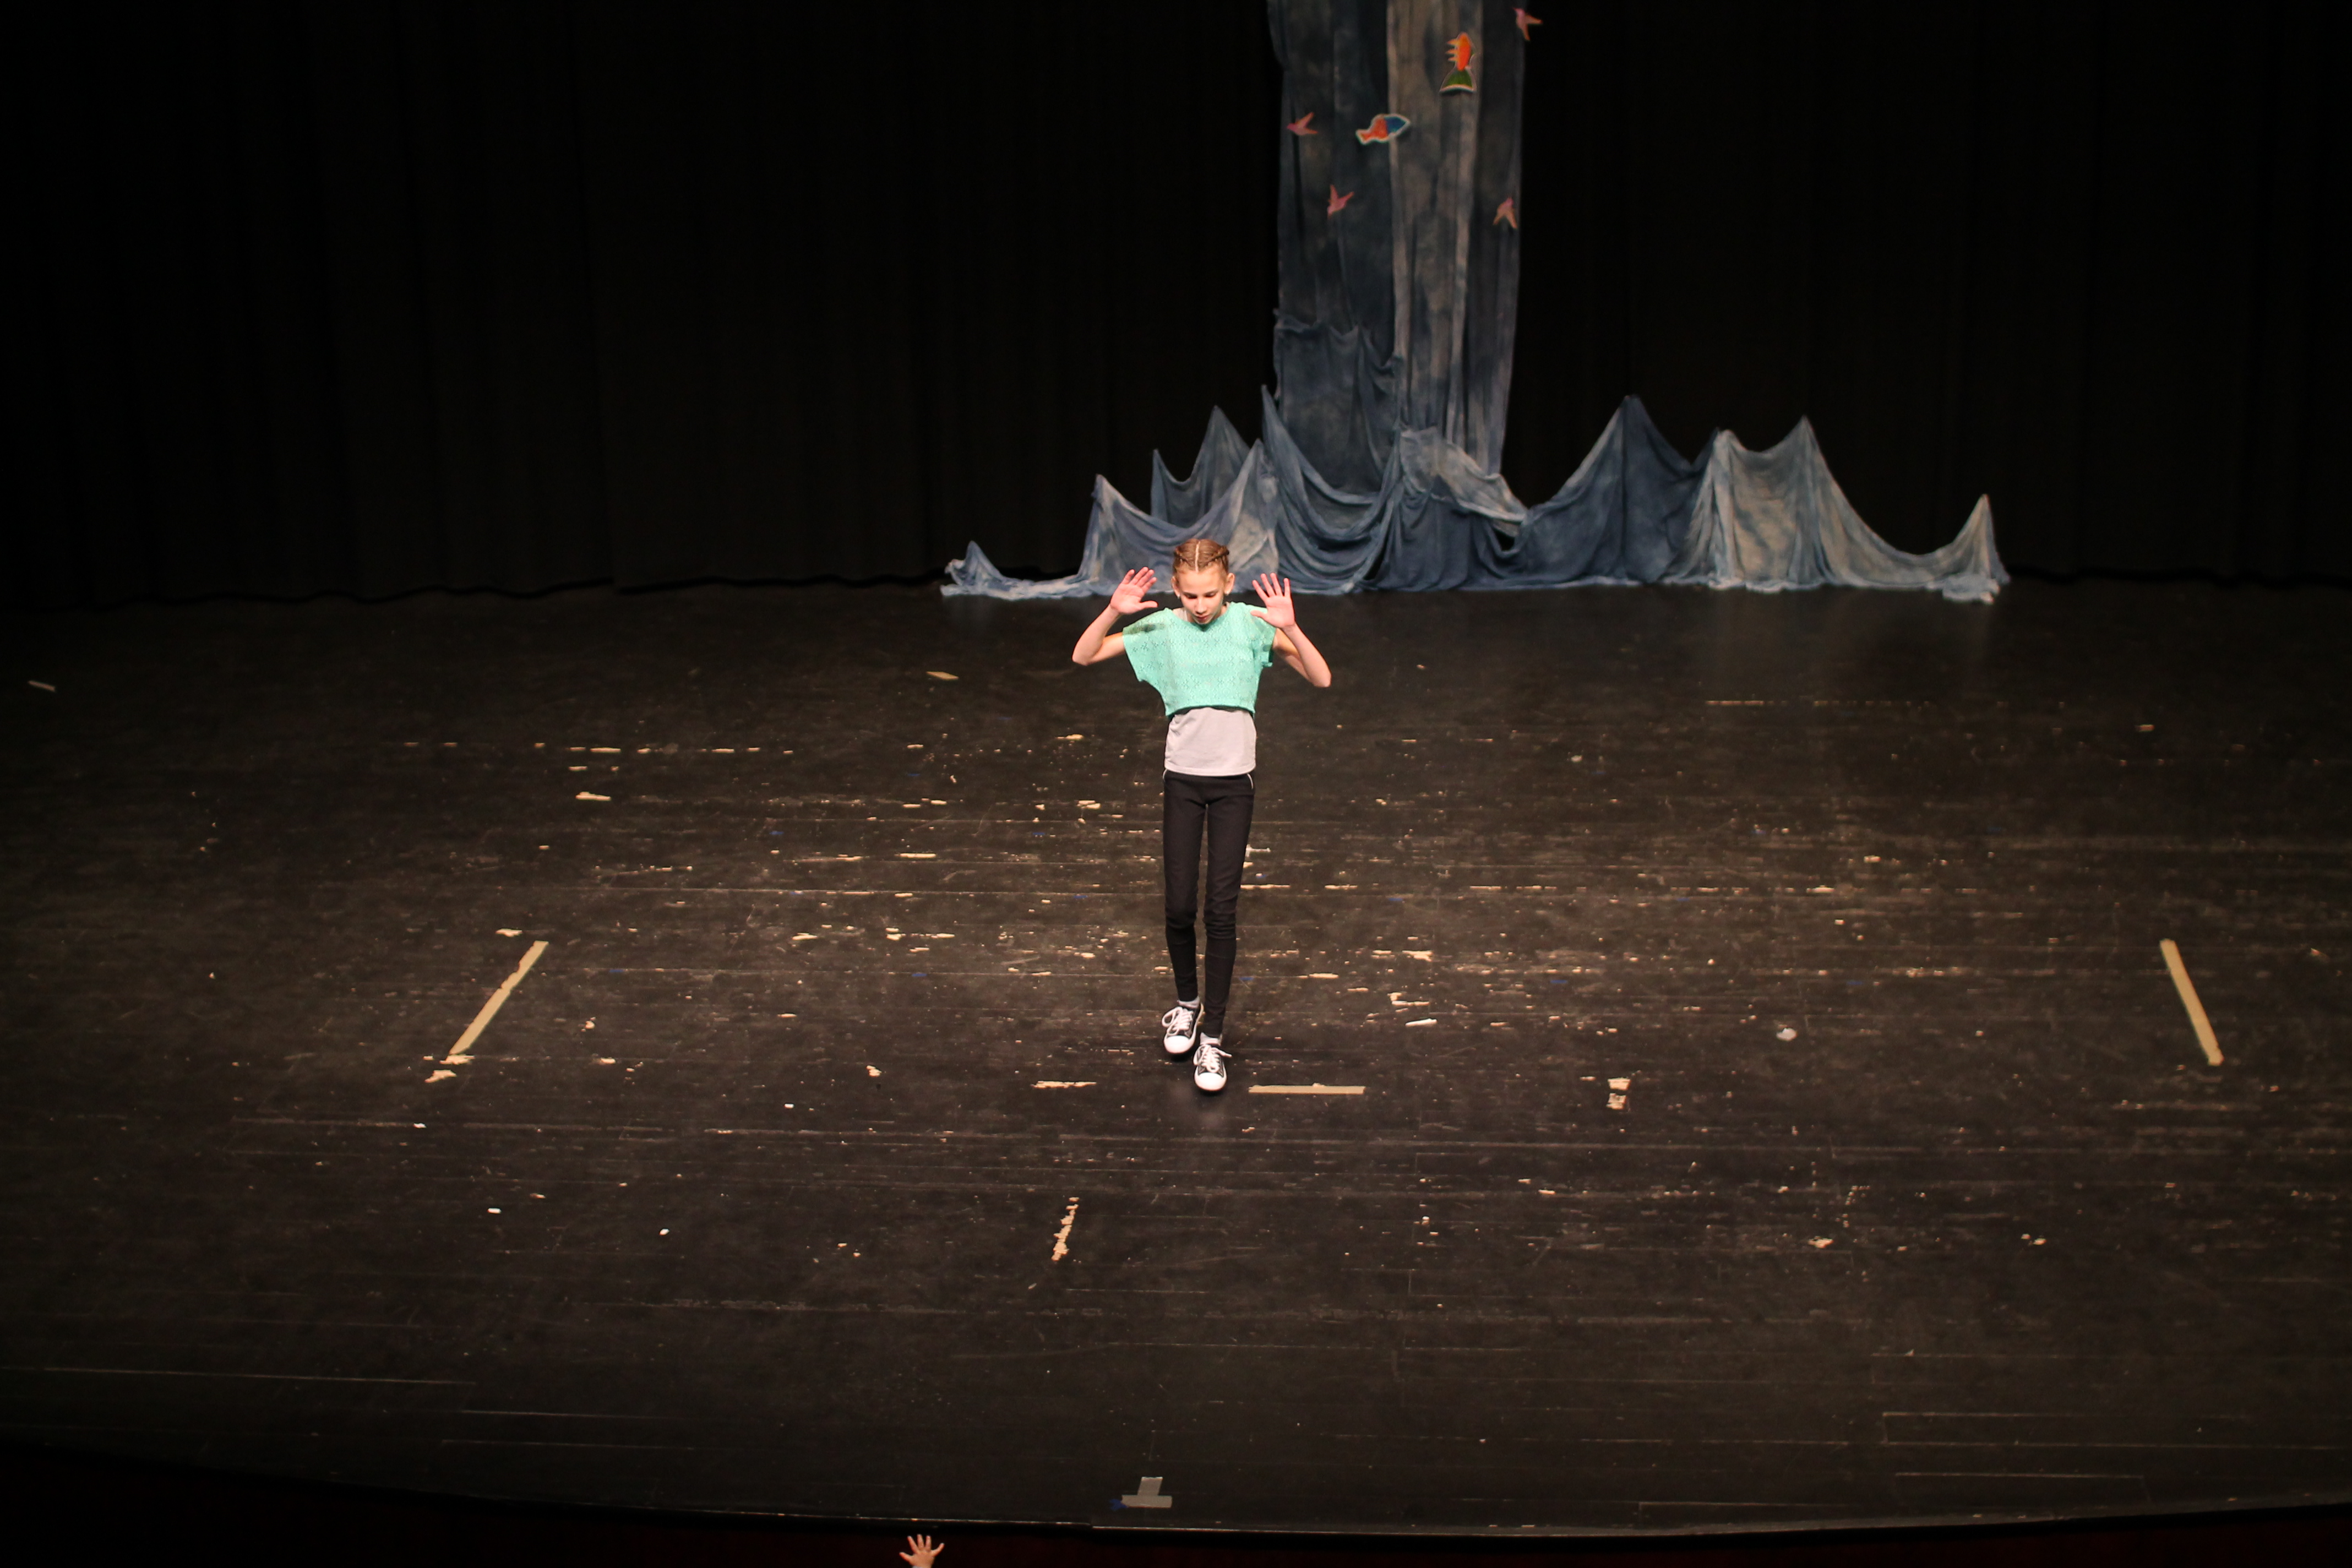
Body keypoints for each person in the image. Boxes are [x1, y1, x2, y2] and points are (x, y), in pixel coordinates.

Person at [1071, 540, 1332, 1091]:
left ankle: (1212, 1037)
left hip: (1235, 785)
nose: (1200, 605)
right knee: (1178, 905)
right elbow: (1084, 655)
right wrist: (1112, 611)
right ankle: (1187, 1005)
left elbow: (1321, 677)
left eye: (1210, 594)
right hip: (1183, 783)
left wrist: (1292, 627)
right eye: (1190, 595)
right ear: (1175, 590)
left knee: (1221, 911)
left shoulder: (1251, 624)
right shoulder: (1164, 627)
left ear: (1229, 584)